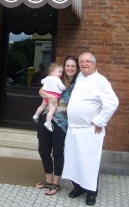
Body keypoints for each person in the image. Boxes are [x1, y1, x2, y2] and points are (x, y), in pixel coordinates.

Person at [62, 52, 119, 206]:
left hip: (90, 130)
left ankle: (91, 192)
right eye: (82, 61)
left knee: (89, 162)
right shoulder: (80, 77)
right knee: (74, 160)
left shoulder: (101, 81)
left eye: (88, 61)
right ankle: (78, 187)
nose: (84, 63)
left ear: (94, 64)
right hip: (74, 129)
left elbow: (112, 102)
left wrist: (100, 121)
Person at [35, 56, 79, 195]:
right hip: (46, 118)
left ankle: (56, 183)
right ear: (64, 67)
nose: (70, 68)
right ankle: (48, 180)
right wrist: (45, 94)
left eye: (73, 65)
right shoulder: (57, 79)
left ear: (76, 68)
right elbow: (42, 90)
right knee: (43, 150)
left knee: (58, 152)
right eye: (68, 65)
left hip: (62, 122)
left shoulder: (79, 84)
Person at [33, 62, 67, 132]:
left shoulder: (47, 78)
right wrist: (65, 87)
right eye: (59, 72)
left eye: (61, 72)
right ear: (52, 71)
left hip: (46, 95)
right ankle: (48, 122)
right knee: (51, 110)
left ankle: (36, 115)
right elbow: (61, 87)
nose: (61, 74)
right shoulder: (57, 79)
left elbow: (42, 81)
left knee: (42, 106)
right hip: (53, 96)